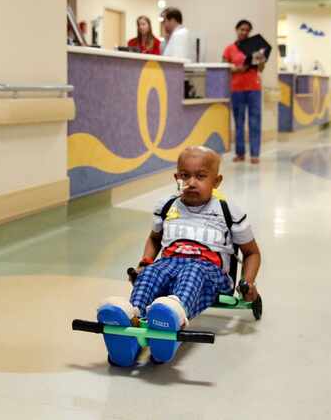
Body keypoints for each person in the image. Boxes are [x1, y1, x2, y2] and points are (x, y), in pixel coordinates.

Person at [96, 146, 261, 366]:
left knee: (193, 271)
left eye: (201, 176)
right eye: (185, 176)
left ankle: (173, 316)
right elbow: (155, 239)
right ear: (176, 177)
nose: (191, 182)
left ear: (217, 180)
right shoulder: (167, 206)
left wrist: (247, 283)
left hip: (209, 271)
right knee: (152, 273)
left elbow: (251, 253)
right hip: (170, 263)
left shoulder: (228, 211)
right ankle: (132, 320)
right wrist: (144, 263)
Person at [222, 19, 265, 164]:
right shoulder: (229, 49)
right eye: (242, 29)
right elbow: (224, 68)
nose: (244, 32)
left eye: (247, 30)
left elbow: (260, 69)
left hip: (254, 89)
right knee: (239, 122)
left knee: (255, 121)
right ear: (236, 30)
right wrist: (237, 69)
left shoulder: (255, 47)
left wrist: (261, 60)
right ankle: (240, 153)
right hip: (237, 89)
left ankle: (255, 154)